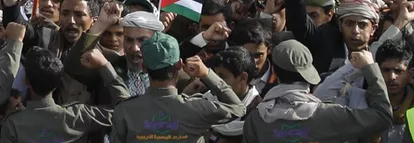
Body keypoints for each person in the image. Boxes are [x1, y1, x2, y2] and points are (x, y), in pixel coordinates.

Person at [243, 41, 393, 143]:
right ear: (307, 74)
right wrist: (370, 68)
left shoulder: (257, 118)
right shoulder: (329, 114)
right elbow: (383, 116)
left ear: (275, 70)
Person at [110, 32, 246, 142]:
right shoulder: (197, 108)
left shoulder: (125, 110)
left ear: (144, 68)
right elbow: (237, 108)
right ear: (179, 65)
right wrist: (206, 73)